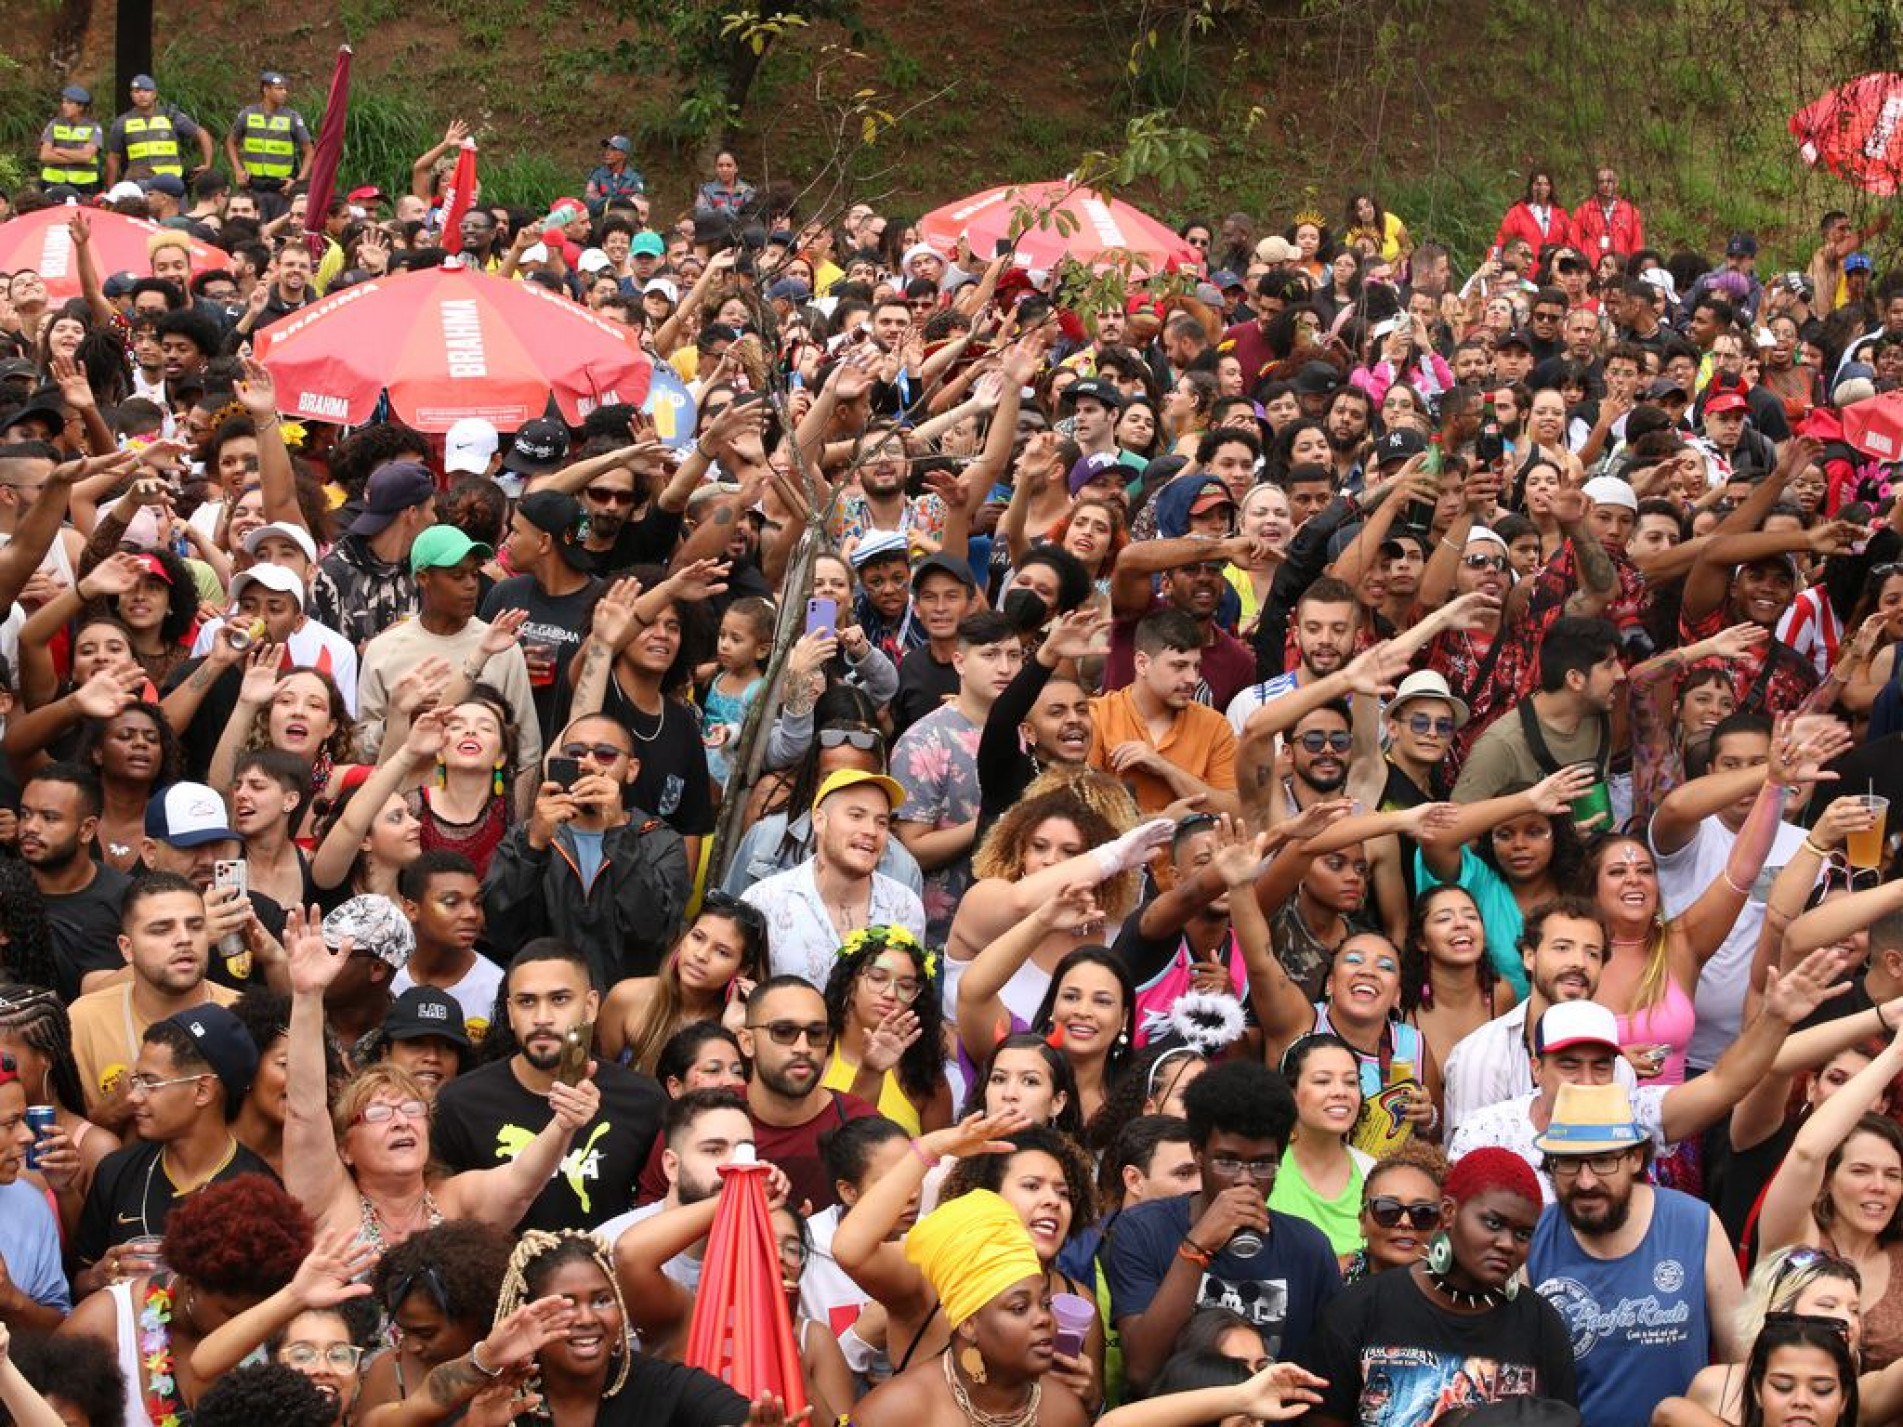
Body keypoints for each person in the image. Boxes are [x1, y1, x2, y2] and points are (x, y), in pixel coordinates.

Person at [1104, 1059, 1340, 1392]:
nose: (1245, 1181)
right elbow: (1143, 1370)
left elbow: (1321, 1386)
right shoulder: (1144, 1229)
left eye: (1262, 1165)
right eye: (1227, 1161)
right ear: (1197, 1153)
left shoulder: (1308, 1248)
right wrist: (1197, 1246)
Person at [1299, 1148, 1576, 1423]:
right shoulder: (1359, 1310)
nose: (1507, 1243)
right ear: (1449, 1212)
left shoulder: (1540, 1324)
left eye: (1523, 1234)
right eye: (1493, 1223)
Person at [1527, 1083, 1743, 1425]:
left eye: (1602, 1162)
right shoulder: (1533, 1238)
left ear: (1635, 1157)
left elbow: (1739, 1364)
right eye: (1568, 1163)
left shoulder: (1695, 1224)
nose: (1585, 1181)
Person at [430, 939, 666, 1232]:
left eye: (560, 999)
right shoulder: (460, 1104)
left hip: (606, 1273)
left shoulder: (642, 1100)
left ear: (591, 1006)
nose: (542, 1018)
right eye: (527, 1002)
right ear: (510, 1012)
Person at [62, 1174, 311, 1425]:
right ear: (191, 1282)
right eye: (232, 1314)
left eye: (259, 1313)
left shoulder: (279, 1329)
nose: (247, 1326)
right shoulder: (101, 1327)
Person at [849, 1184, 1089, 1427]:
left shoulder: (1064, 1413)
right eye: (1019, 1307)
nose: (1044, 1319)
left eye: (1046, 1304)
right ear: (969, 1324)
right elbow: (850, 1250)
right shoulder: (896, 1412)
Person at [482, 715, 691, 987]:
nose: (587, 763)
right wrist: (533, 847)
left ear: (632, 769)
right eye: (575, 753)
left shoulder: (661, 841)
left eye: (605, 755)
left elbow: (653, 931)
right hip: (546, 1001)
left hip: (625, 1009)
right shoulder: (529, 836)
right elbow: (502, 931)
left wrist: (617, 830)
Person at [741, 769, 925, 986]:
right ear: (819, 821)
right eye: (856, 816)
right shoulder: (764, 901)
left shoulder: (905, 905)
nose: (871, 831)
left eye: (881, 822)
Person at [735, 976, 879, 1212]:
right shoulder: (703, 1118)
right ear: (747, 1042)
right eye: (783, 1031)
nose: (803, 1047)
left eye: (816, 1033)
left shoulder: (858, 1120)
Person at [392, 851, 503, 1042]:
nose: (471, 914)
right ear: (411, 909)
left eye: (477, 903)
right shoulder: (384, 975)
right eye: (452, 902)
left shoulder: (497, 990)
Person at [107, 73, 214, 186]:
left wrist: (207, 164)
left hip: (171, 182)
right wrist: (110, 190)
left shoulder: (171, 116)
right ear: (131, 95)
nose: (142, 95)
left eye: (146, 91)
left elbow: (202, 134)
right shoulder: (122, 122)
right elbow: (113, 157)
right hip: (139, 183)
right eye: (137, 91)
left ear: (154, 94)